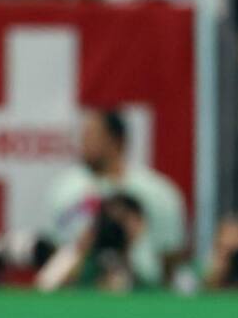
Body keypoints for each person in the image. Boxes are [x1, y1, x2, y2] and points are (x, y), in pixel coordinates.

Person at [45, 109, 187, 287]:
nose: (83, 143)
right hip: (79, 291)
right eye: (83, 136)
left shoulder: (159, 194)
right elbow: (54, 251)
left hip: (144, 293)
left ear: (117, 140)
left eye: (91, 136)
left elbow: (171, 258)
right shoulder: (66, 191)